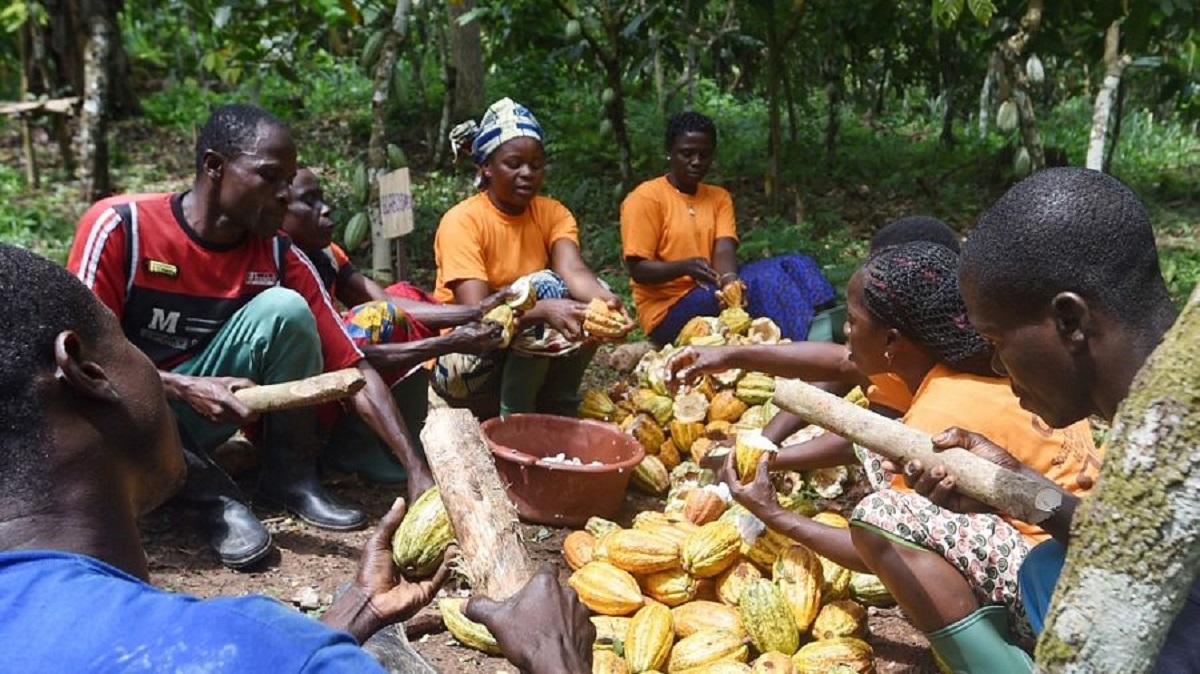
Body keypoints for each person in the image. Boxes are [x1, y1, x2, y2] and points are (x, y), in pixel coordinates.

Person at [0, 242, 596, 673]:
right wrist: (554, 657)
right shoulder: (247, 645)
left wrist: (351, 617)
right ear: (84, 368)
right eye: (126, 342)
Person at [701, 242, 1100, 671]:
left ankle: (998, 663)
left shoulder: (938, 411)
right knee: (881, 443)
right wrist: (771, 447)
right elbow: (842, 370)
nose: (845, 333)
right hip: (1083, 544)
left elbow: (875, 551)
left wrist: (777, 516)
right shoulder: (963, 363)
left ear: (892, 340)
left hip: (1056, 594)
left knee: (880, 517)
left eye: (852, 322)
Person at [66, 103, 432, 570]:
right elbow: (78, 357)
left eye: (289, 180)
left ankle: (290, 477)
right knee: (97, 393)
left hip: (207, 410)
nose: (285, 195)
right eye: (270, 177)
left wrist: (415, 471)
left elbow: (354, 369)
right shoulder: (123, 227)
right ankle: (215, 499)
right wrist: (182, 386)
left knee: (285, 309)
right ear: (214, 167)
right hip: (126, 409)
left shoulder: (280, 255)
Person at [903, 167, 1198, 672]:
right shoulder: (1152, 420)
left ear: (1070, 321)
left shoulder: (1182, 443)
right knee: (1046, 568)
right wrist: (1019, 486)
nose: (996, 365)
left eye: (996, 341)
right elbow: (1129, 541)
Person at [282, 167, 505, 484]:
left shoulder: (327, 255)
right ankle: (347, 452)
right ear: (276, 210)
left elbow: (388, 299)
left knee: (406, 297)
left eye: (322, 198)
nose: (326, 208)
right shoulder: (276, 264)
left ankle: (389, 440)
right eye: (309, 201)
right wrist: (448, 343)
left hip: (342, 370)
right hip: (307, 396)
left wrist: (475, 311)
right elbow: (343, 355)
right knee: (377, 320)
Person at [666, 215, 962, 452]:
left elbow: (878, 440)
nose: (845, 331)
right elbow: (839, 364)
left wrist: (768, 460)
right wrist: (729, 355)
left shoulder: (945, 395)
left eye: (854, 322)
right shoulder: (905, 351)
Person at [432, 97, 633, 418]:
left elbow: (573, 269)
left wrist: (609, 303)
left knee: (592, 293)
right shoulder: (462, 221)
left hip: (515, 339)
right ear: (486, 167)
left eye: (536, 165)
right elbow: (476, 312)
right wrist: (544, 310)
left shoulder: (553, 213)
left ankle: (558, 402)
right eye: (514, 164)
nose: (527, 173)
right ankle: (517, 418)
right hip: (464, 356)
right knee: (545, 288)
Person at [620, 111, 837, 346]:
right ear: (670, 153)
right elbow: (638, 269)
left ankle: (830, 327)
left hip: (712, 291)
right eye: (687, 153)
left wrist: (730, 283)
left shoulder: (718, 197)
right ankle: (804, 349)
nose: (696, 161)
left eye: (704, 155)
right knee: (766, 280)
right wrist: (685, 267)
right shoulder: (646, 198)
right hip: (669, 311)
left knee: (796, 263)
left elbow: (723, 249)